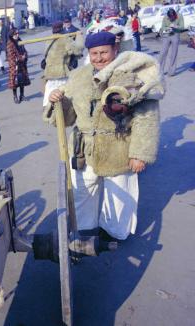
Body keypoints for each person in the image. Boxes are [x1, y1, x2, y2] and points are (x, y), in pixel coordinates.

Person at [47, 31, 163, 241]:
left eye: (103, 52)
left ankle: (115, 233)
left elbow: (146, 117)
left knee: (120, 194)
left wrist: (139, 153)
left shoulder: (131, 75)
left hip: (118, 146)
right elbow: (69, 117)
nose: (99, 58)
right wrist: (59, 102)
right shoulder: (78, 77)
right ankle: (84, 230)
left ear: (115, 50)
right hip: (85, 149)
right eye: (94, 53)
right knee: (82, 191)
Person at [43, 22, 84, 107]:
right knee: (67, 102)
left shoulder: (48, 40)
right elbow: (78, 50)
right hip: (62, 75)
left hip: (50, 75)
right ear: (62, 28)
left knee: (49, 103)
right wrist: (79, 36)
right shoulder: (65, 39)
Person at [7, 28, 30, 104]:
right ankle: (15, 96)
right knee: (15, 82)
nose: (17, 35)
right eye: (15, 34)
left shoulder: (20, 41)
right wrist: (20, 58)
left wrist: (25, 55)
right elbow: (11, 56)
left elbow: (24, 50)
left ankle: (22, 95)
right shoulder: (10, 43)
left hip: (21, 64)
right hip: (15, 66)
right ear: (12, 34)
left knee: (22, 81)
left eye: (18, 33)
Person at [158, 8, 184, 76]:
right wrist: (168, 28)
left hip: (175, 34)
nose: (171, 19)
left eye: (172, 17)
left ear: (175, 15)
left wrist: (176, 26)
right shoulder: (165, 17)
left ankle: (171, 72)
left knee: (174, 53)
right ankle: (159, 71)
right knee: (163, 52)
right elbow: (162, 27)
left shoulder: (180, 16)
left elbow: (182, 27)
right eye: (170, 17)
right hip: (167, 34)